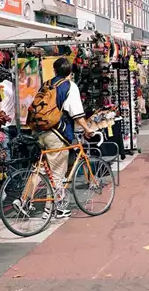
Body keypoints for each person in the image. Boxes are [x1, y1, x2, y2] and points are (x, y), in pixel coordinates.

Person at [20, 57, 94, 219]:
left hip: (39, 131)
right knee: (57, 173)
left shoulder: (47, 84)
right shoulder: (69, 86)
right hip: (57, 133)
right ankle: (54, 209)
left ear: (54, 70)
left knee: (40, 169)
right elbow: (77, 114)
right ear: (70, 72)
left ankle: (24, 199)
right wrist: (88, 129)